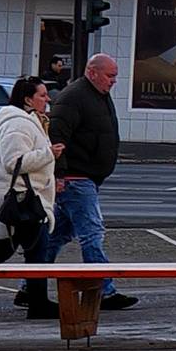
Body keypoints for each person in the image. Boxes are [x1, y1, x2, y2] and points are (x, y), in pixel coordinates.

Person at [38, 53, 135, 310]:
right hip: (76, 178)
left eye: (115, 75)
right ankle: (103, 289)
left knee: (58, 235)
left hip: (84, 177)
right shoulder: (74, 97)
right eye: (110, 75)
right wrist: (59, 175)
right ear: (92, 72)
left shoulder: (95, 94)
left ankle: (30, 285)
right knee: (92, 233)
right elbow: (56, 135)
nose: (114, 81)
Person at [0, 76, 60, 319]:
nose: (47, 99)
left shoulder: (30, 121)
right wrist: (48, 154)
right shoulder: (17, 125)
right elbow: (14, 163)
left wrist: (50, 180)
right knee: (26, 251)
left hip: (25, 197)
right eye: (42, 95)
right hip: (19, 200)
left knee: (7, 251)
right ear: (28, 99)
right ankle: (38, 304)